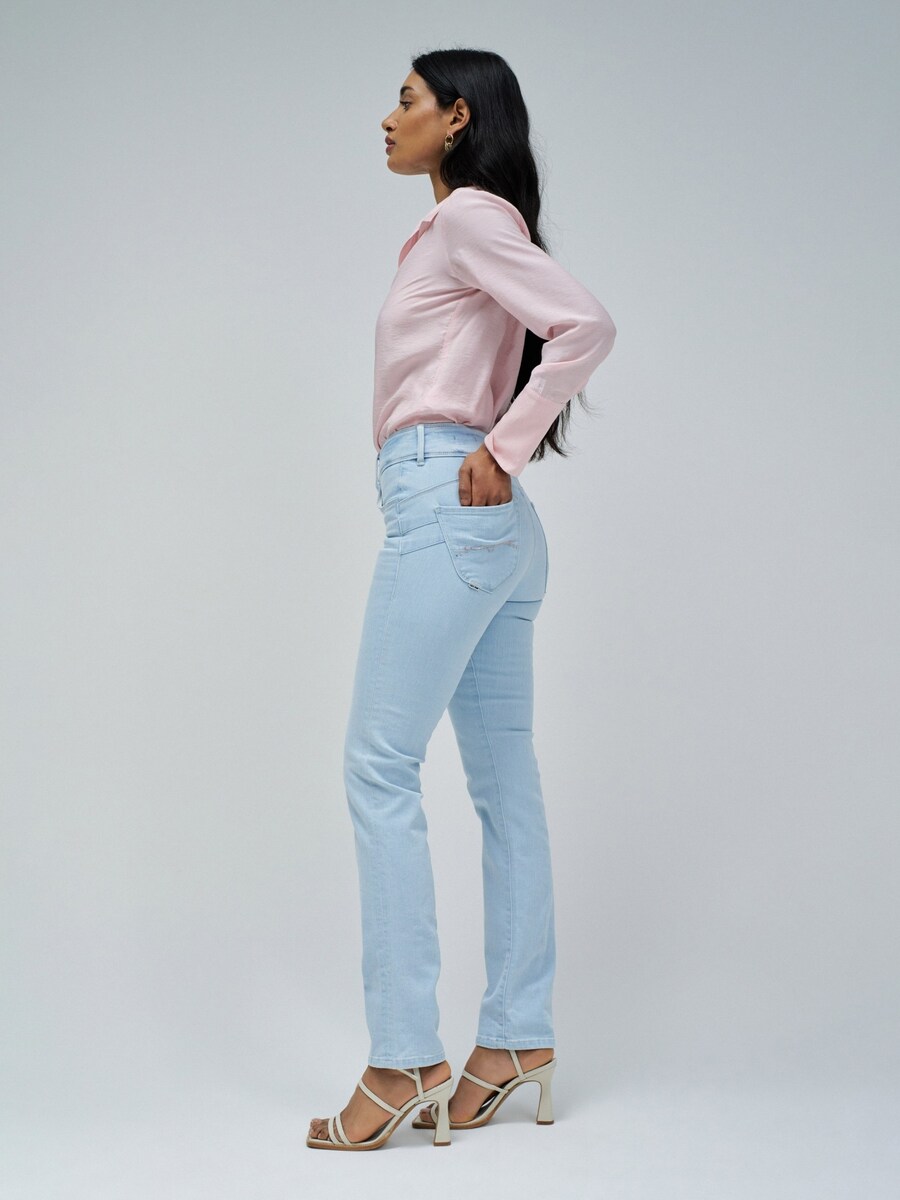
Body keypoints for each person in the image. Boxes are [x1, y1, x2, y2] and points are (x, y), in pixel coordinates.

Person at [307, 48, 616, 1151]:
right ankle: (516, 1038)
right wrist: (500, 456)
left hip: (451, 503)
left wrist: (504, 444)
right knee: (504, 786)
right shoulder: (469, 227)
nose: (387, 118)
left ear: (458, 117)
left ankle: (403, 1059)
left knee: (378, 766)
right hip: (492, 531)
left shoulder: (468, 219)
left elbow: (586, 326)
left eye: (406, 101)